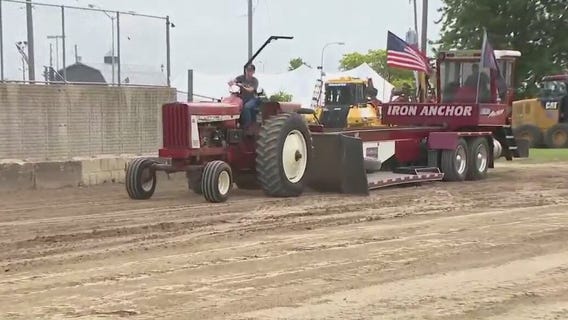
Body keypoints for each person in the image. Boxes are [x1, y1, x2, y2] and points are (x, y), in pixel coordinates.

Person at [228, 64, 260, 129]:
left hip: (252, 99)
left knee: (246, 107)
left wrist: (242, 86)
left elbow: (251, 90)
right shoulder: (241, 77)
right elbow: (233, 81)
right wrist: (232, 82)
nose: (248, 72)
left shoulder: (255, 80)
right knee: (235, 105)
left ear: (253, 72)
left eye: (250, 71)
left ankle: (246, 126)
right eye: (247, 70)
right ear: (245, 71)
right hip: (242, 98)